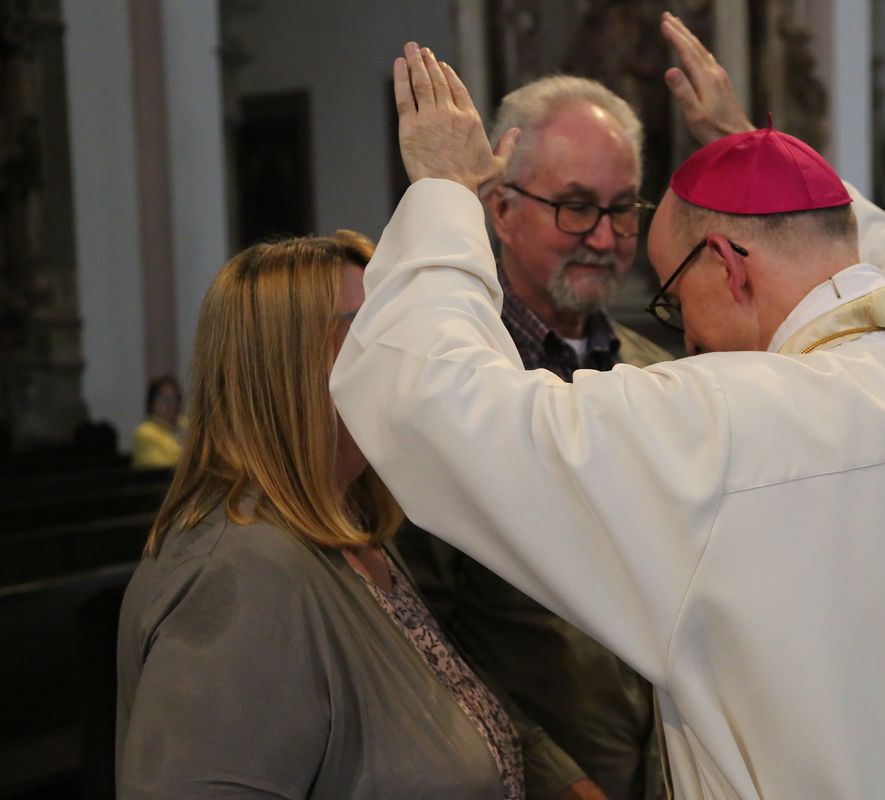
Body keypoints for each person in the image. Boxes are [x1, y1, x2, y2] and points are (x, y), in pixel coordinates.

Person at [333, 22, 885, 800]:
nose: (686, 332)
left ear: (730, 267)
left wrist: (439, 188)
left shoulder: (728, 420)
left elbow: (431, 402)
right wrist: (751, 149)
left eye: (674, 294)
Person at [116, 230, 523, 799]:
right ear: (286, 367)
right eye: (374, 334)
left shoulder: (349, 530)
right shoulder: (240, 576)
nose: (406, 359)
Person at [397, 74, 670, 800]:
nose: (607, 239)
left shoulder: (665, 377)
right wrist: (554, 776)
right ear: (500, 208)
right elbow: (419, 630)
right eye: (577, 208)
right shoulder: (455, 384)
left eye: (622, 210)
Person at [131, 374, 185, 469]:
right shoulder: (144, 433)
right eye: (162, 398)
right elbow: (163, 469)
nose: (168, 403)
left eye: (173, 398)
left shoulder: (185, 423)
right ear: (151, 402)